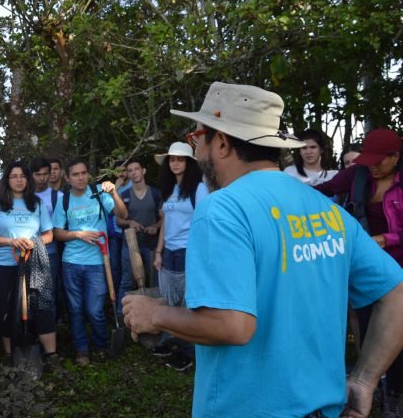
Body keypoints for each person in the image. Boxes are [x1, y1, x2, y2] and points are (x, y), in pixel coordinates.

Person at [123, 81, 403, 418]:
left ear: (222, 142)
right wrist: (364, 379)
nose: (196, 153)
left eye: (197, 139)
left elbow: (231, 325)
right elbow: (397, 291)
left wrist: (152, 314)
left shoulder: (222, 209)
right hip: (326, 408)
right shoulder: (328, 210)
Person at [314, 128, 403, 414]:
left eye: (380, 160)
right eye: (368, 160)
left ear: (396, 157)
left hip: (399, 266)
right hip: (366, 269)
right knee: (367, 330)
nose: (372, 165)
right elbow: (321, 192)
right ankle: (371, 387)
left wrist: (385, 239)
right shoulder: (357, 175)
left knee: (397, 334)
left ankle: (396, 396)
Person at [52, 158, 127, 365]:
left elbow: (123, 214)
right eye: (75, 174)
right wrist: (78, 234)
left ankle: (101, 345)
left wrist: (113, 193)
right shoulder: (64, 200)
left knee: (95, 309)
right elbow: (57, 232)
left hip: (97, 262)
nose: (81, 177)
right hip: (71, 262)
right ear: (67, 178)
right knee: (75, 309)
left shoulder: (99, 193)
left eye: (84, 173)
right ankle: (82, 350)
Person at [0, 161, 58, 365]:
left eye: (22, 176)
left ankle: (51, 355)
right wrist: (11, 241)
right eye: (13, 176)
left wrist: (34, 243)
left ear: (28, 179)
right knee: (7, 307)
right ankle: (10, 355)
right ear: (7, 180)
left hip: (34, 262)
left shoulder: (36, 203)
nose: (18, 180)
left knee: (41, 306)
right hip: (5, 264)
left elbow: (49, 234)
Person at [151, 142, 208, 372]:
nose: (175, 163)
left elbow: (206, 223)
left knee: (188, 303)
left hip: (189, 251)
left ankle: (188, 352)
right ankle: (172, 342)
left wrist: (201, 255)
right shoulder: (169, 189)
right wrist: (158, 251)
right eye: (172, 159)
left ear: (189, 163)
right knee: (171, 299)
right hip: (169, 252)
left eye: (180, 159)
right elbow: (166, 222)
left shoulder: (199, 189)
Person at [116, 159, 162, 304]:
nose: (133, 173)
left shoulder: (155, 193)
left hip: (152, 244)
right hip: (130, 245)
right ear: (127, 175)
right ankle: (123, 319)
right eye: (130, 171)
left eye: (136, 169)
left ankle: (158, 318)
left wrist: (156, 226)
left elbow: (164, 219)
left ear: (143, 171)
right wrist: (130, 222)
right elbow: (118, 220)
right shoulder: (124, 195)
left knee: (155, 281)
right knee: (127, 281)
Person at [30, 157, 63, 316]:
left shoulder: (59, 196)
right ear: (31, 175)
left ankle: (51, 329)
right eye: (38, 174)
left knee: (48, 292)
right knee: (29, 293)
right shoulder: (23, 196)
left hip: (50, 252)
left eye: (45, 174)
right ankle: (32, 331)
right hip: (25, 253)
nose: (42, 178)